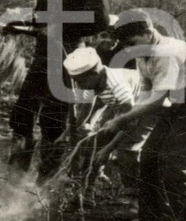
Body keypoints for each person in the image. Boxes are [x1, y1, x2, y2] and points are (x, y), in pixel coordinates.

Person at [100, 9, 186, 221]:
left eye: (131, 43)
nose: (128, 49)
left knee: (174, 165)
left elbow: (158, 99)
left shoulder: (165, 52)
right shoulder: (142, 53)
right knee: (149, 156)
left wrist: (121, 120)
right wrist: (128, 119)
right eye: (125, 45)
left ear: (148, 33)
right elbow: (147, 95)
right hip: (179, 101)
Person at [2, 0, 109, 180]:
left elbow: (100, 20)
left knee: (53, 123)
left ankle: (43, 189)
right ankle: (14, 183)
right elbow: (42, 19)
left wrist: (61, 27)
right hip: (43, 57)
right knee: (21, 116)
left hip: (68, 59)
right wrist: (18, 26)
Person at [63, 45, 152, 200]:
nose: (78, 86)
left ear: (94, 74)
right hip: (124, 110)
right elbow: (95, 104)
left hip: (147, 109)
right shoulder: (98, 81)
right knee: (95, 143)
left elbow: (130, 122)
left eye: (79, 81)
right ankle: (86, 192)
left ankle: (134, 199)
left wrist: (109, 148)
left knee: (127, 151)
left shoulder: (117, 86)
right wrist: (80, 127)